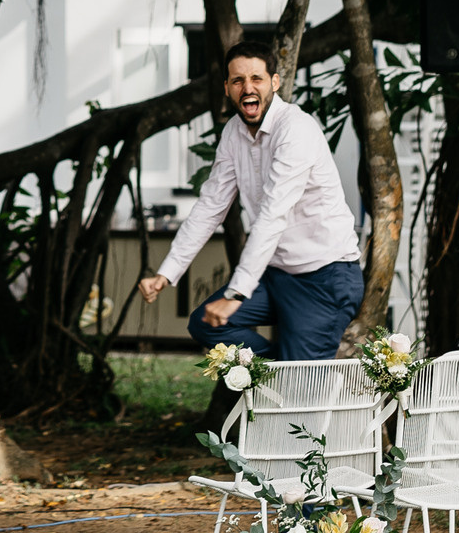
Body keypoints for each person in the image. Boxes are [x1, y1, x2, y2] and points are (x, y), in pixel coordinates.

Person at [135, 36, 364, 363]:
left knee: (301, 388)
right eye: (238, 80)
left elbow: (272, 217)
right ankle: (283, 370)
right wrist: (167, 273)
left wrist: (235, 294)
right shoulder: (233, 133)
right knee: (207, 325)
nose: (248, 88)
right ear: (227, 87)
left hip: (324, 277)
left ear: (274, 82)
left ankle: (296, 372)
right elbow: (209, 208)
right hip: (277, 275)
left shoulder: (295, 130)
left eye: (256, 78)